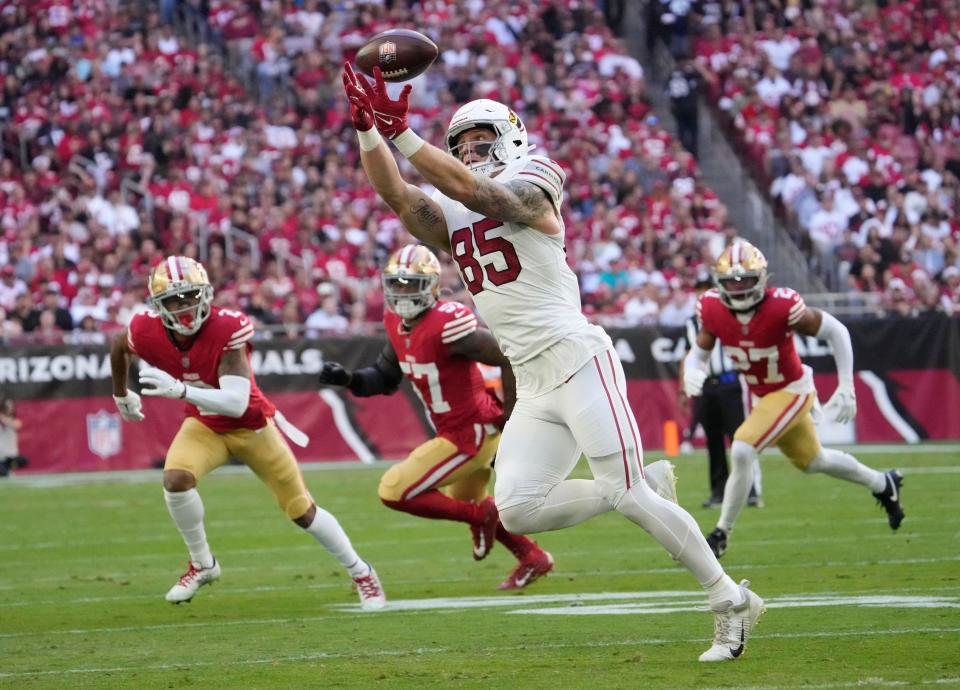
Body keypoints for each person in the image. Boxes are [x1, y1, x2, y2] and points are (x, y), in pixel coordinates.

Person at [341, 64, 763, 662]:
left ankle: (729, 602)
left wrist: (405, 134)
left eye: (480, 140)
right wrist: (367, 131)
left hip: (578, 358)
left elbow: (488, 196)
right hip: (533, 380)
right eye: (461, 145)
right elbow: (397, 195)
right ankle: (645, 488)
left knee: (628, 496)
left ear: (510, 137)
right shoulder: (453, 209)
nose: (471, 152)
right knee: (518, 507)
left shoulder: (537, 174)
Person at [109, 256, 385, 609]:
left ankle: (362, 572)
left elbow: (237, 403)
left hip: (251, 426)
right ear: (158, 306)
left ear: (206, 293)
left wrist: (180, 391)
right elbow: (119, 344)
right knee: (176, 479)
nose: (186, 309)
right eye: (175, 301)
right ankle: (203, 563)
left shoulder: (227, 328)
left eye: (191, 296)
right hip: (205, 425)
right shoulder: (145, 330)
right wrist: (121, 394)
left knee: (302, 510)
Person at [318, 243, 555, 589]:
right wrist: (349, 379)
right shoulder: (398, 323)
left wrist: (513, 414)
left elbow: (507, 355)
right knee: (465, 498)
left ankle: (481, 516)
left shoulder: (447, 323)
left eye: (410, 284)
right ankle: (533, 557)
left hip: (469, 435)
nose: (401, 293)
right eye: (395, 284)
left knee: (394, 490)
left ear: (430, 286)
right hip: (462, 432)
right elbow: (384, 377)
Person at [682, 240, 905, 558]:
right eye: (731, 280)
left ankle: (720, 534)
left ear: (761, 279)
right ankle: (883, 483)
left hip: (792, 390)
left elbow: (836, 331)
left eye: (745, 279)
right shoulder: (713, 308)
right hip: (765, 396)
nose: (738, 286)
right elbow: (700, 352)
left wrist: (846, 385)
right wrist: (693, 369)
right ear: (720, 283)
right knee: (815, 461)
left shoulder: (782, 306)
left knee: (743, 447)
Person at [679, 274, 762, 509]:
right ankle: (718, 492)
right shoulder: (690, 323)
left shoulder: (729, 315)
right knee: (713, 442)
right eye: (698, 289)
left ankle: (750, 490)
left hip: (728, 383)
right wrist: (683, 387)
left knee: (740, 439)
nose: (701, 293)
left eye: (705, 289)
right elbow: (688, 355)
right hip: (706, 385)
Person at [0, 398, 28, 477]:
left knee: (24, 460)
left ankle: (8, 468)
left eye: (11, 406)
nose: (10, 408)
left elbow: (16, 425)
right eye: (7, 406)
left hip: (11, 457)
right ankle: (5, 470)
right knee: (2, 470)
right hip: (1, 456)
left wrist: (2, 417)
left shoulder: (14, 421)